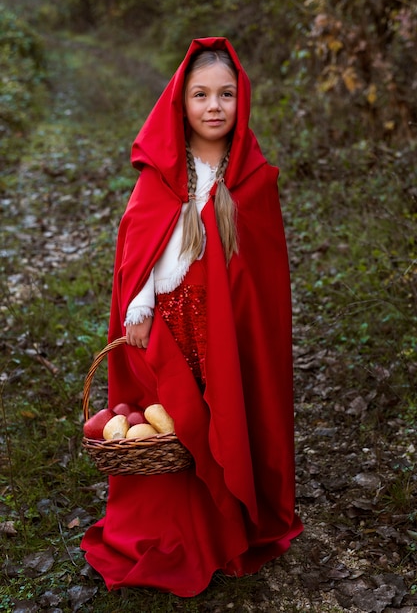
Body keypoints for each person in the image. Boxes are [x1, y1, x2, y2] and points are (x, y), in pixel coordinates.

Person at [81, 36, 303, 597]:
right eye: (200, 95)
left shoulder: (253, 183)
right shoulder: (160, 173)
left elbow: (260, 287)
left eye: (225, 94)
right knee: (176, 424)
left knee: (221, 414)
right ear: (181, 103)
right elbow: (140, 249)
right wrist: (139, 304)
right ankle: (176, 526)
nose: (213, 106)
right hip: (168, 328)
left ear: (241, 100)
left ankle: (225, 520)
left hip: (220, 338)